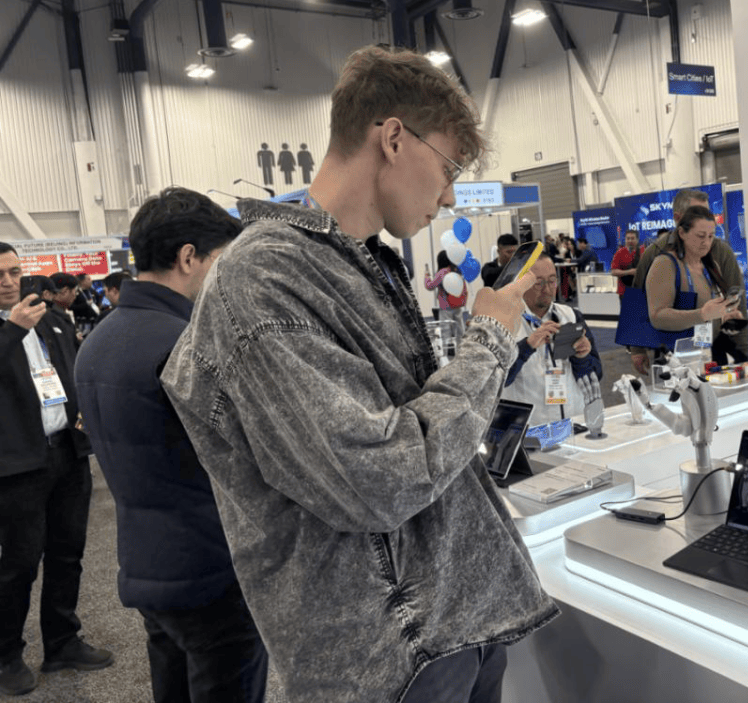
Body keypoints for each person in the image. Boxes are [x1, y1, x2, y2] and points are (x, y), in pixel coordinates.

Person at [160, 46, 557, 703]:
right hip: (390, 654)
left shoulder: (357, 263)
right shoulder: (263, 280)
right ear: (394, 138)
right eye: (449, 168)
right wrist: (488, 341)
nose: (449, 195)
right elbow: (380, 481)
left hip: (452, 623)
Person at [74, 188, 268, 703]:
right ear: (188, 257)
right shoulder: (187, 345)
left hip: (146, 560)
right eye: (221, 262)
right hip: (211, 566)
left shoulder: (97, 342)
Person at [0, 243, 113, 697]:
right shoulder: (15, 326)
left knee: (68, 553)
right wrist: (11, 330)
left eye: (14, 271)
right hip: (16, 465)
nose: (8, 281)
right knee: (19, 564)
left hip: (66, 452)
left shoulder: (50, 320)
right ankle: (6, 655)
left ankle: (62, 641)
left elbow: (70, 374)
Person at [629, 189, 747, 373]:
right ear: (679, 220)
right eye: (697, 214)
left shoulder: (718, 254)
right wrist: (637, 349)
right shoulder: (659, 254)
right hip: (673, 354)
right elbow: (638, 299)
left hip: (711, 349)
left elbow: (735, 298)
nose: (706, 240)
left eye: (707, 213)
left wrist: (741, 348)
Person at [501, 253, 602, 425]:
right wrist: (527, 346)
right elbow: (495, 381)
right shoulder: (503, 322)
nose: (547, 289)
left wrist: (582, 357)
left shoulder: (570, 316)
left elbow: (596, 374)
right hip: (530, 428)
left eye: (552, 280)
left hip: (573, 423)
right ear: (521, 283)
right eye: (538, 282)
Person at [424, 250, 468, 344]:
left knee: (445, 330)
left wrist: (427, 277)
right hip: (458, 304)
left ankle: (446, 351)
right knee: (460, 329)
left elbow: (430, 286)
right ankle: (462, 348)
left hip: (446, 306)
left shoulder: (442, 272)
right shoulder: (456, 270)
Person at [609, 229, 641, 300]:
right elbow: (613, 272)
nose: (630, 241)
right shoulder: (619, 253)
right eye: (628, 238)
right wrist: (629, 272)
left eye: (632, 238)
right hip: (624, 291)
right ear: (625, 239)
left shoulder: (643, 251)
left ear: (637, 239)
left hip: (640, 290)